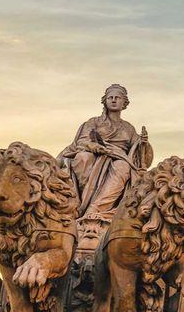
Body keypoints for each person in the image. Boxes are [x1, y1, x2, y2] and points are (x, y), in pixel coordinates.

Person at [59, 84, 153, 222]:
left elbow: (137, 154)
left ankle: (95, 209)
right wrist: (95, 147)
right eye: (110, 97)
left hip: (118, 158)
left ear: (124, 102)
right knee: (83, 157)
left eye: (117, 98)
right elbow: (82, 141)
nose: (114, 100)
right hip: (94, 153)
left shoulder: (129, 128)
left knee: (122, 167)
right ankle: (81, 203)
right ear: (105, 101)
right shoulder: (93, 122)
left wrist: (143, 143)